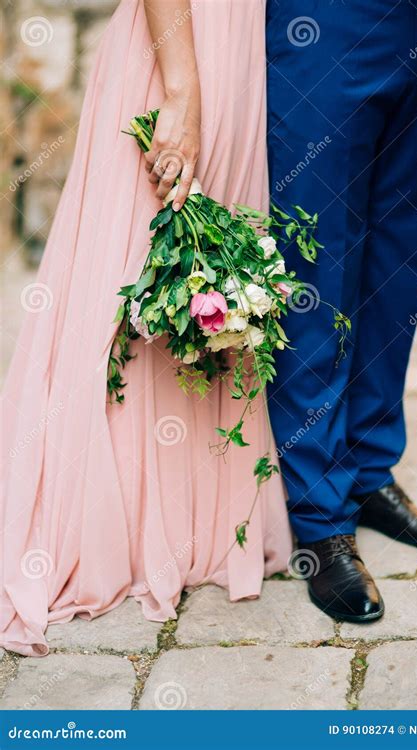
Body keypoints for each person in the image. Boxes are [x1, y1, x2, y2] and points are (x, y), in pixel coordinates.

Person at [0, 0, 292, 657]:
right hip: (179, 53)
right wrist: (184, 93)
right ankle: (104, 525)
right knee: (125, 280)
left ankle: (186, 525)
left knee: (200, 280)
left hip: (235, 53)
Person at [266, 0, 417, 622]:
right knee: (317, 268)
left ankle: (368, 466)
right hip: (330, 24)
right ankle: (320, 513)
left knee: (398, 266)